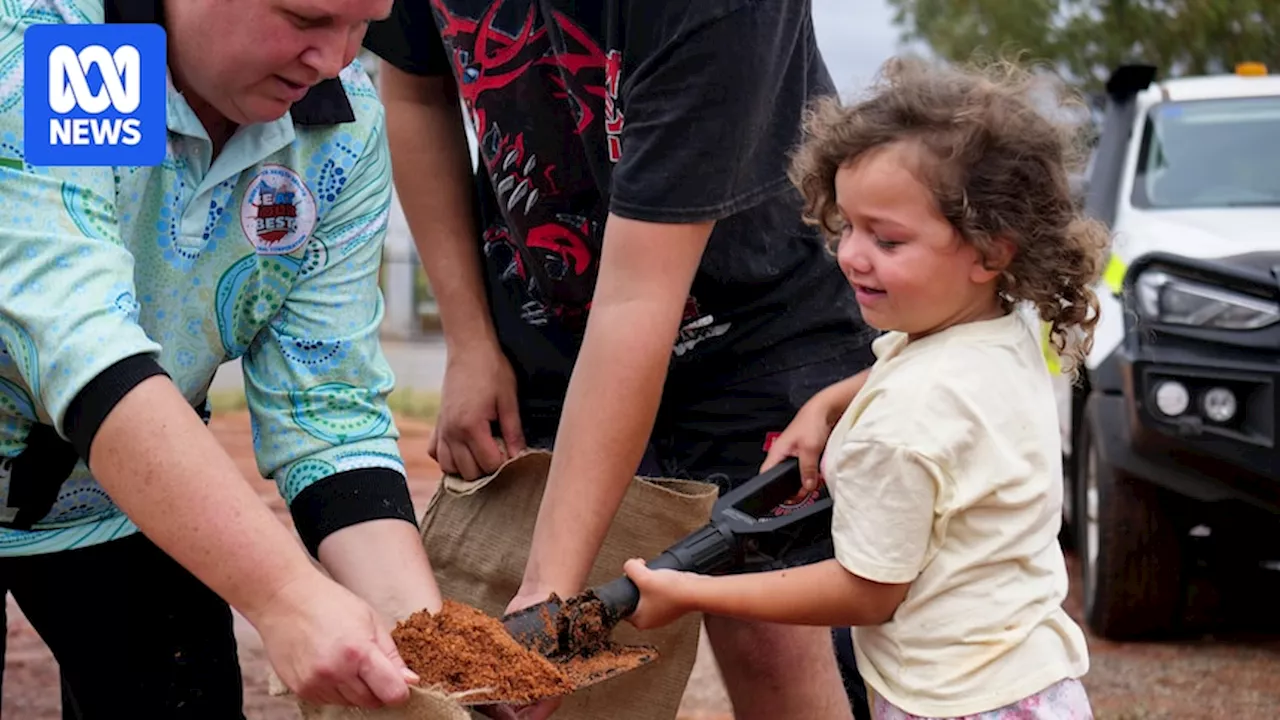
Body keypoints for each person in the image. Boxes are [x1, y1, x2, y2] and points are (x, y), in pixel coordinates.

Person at [362, 1, 880, 718]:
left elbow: (638, 299)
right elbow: (414, 87)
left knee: (776, 638)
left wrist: (548, 592)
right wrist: (470, 340)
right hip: (549, 310)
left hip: (761, 317)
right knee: (553, 683)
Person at [622, 56, 1104, 719]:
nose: (850, 254)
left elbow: (866, 591)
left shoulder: (904, 423)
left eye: (888, 238)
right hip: (1032, 684)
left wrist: (693, 593)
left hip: (953, 705)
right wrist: (827, 401)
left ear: (991, 250)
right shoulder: (998, 328)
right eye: (848, 225)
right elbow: (907, 370)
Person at [0, 0, 445, 716]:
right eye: (305, 19)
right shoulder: (80, 43)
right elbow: (79, 341)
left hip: (128, 496)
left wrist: (433, 652)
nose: (333, 62)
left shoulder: (339, 123)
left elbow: (326, 407)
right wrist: (285, 596)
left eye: (363, 26)